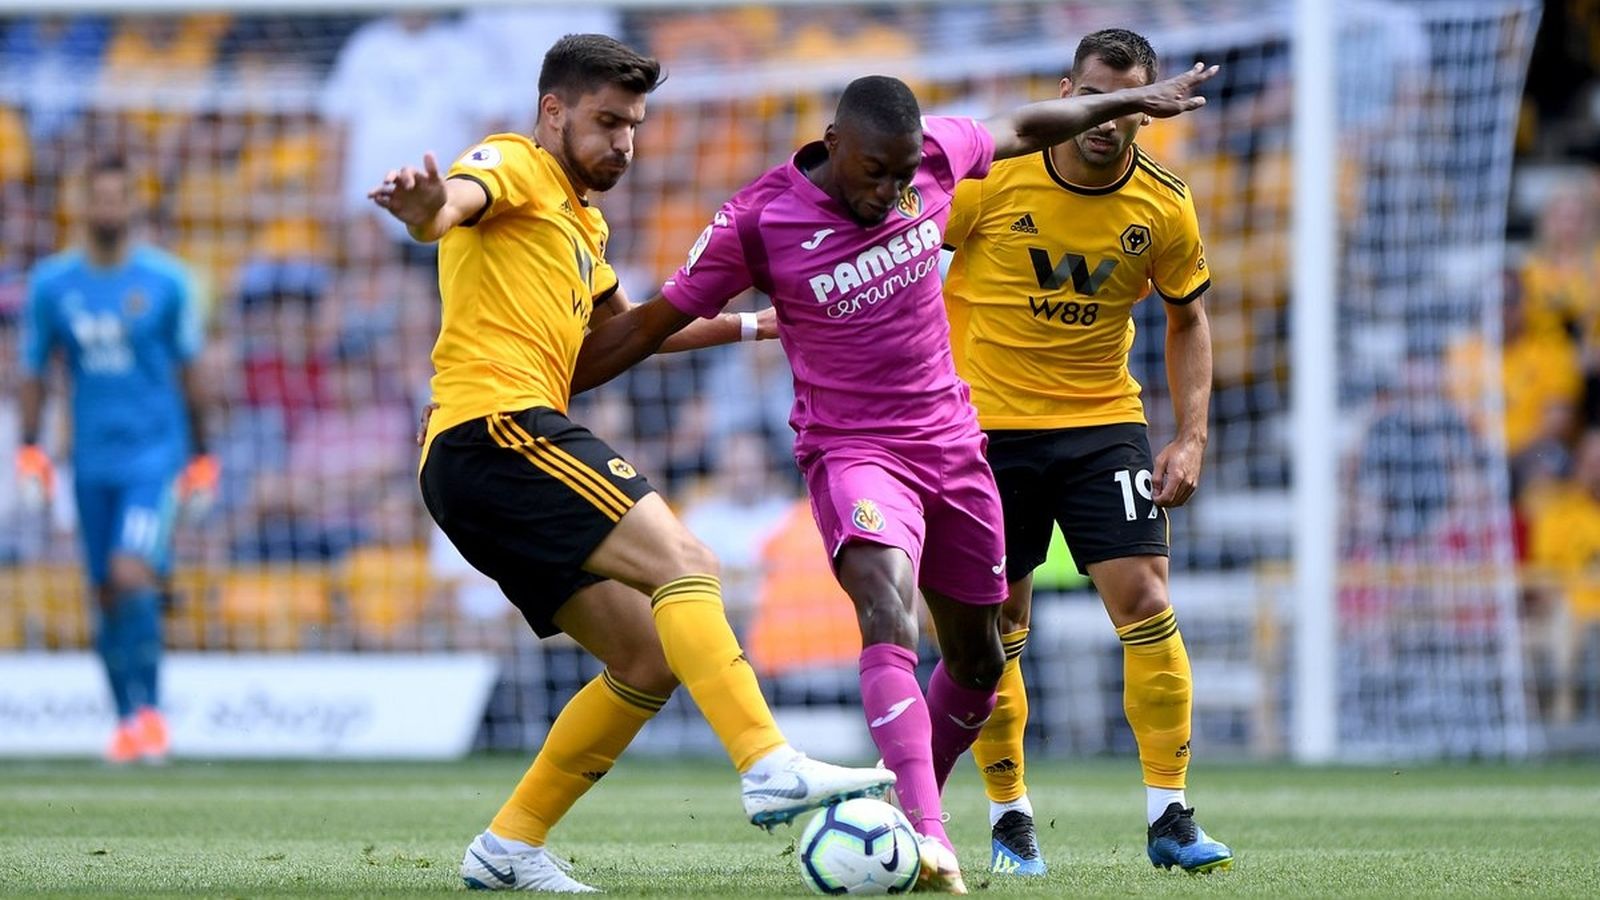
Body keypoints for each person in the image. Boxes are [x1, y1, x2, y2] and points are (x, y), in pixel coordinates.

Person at [571, 61, 1219, 894]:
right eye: (873, 172)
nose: (888, 192)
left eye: (902, 173)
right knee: (886, 603)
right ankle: (930, 834)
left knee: (981, 661)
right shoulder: (759, 219)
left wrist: (1130, 99)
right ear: (833, 143)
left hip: (955, 445)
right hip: (853, 451)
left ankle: (907, 798)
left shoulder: (936, 164)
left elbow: (1022, 127)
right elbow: (653, 321)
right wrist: (556, 375)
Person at [368, 34, 893, 894]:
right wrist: (427, 210)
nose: (624, 142)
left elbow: (629, 336)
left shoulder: (582, 223)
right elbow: (452, 205)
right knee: (686, 563)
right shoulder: (510, 162)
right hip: (496, 428)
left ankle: (508, 849)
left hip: (478, 458)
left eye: (635, 125)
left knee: (648, 658)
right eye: (608, 121)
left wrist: (760, 324)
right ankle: (767, 762)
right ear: (553, 111)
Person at [941, 29, 1233, 876]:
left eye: (1129, 101)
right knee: (997, 627)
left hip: (1102, 423)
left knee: (1144, 598)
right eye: (1095, 97)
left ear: (1147, 108)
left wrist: (1191, 433)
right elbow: (913, 259)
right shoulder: (992, 179)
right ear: (1068, 91)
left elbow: (1188, 319)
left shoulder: (1165, 203)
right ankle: (1009, 818)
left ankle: (1170, 814)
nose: (1107, 121)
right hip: (983, 431)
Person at [16, 155, 215, 764]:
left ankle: (152, 714)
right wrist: (30, 452)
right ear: (82, 204)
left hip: (154, 456)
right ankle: (126, 720)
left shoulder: (166, 282)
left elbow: (191, 372)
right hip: (90, 460)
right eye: (96, 198)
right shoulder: (51, 285)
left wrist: (204, 458)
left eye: (117, 198)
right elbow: (34, 371)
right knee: (103, 590)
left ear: (133, 205)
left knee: (132, 572)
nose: (108, 209)